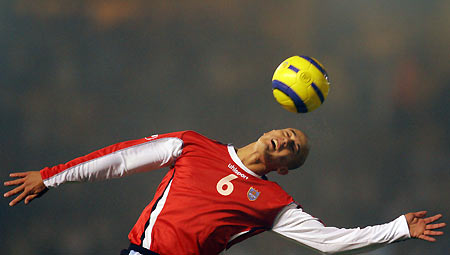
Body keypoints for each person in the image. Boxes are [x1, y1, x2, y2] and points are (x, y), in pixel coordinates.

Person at [4, 128, 445, 255]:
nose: (287, 141)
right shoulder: (193, 146)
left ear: (286, 169)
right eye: (289, 133)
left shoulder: (275, 202)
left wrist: (397, 229)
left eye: (294, 149)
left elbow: (329, 243)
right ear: (271, 129)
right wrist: (52, 176)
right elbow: (121, 159)